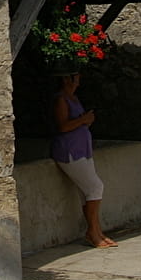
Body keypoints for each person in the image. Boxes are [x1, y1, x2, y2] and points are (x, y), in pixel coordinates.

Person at [50, 72, 116, 248]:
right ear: (65, 79)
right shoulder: (61, 100)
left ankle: (96, 231)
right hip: (69, 151)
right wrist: (83, 120)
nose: (77, 84)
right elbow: (63, 126)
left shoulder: (74, 98)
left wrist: (86, 121)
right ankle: (93, 232)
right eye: (75, 80)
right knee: (95, 187)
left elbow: (78, 122)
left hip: (82, 150)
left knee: (87, 192)